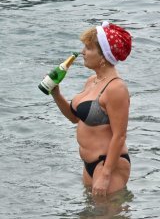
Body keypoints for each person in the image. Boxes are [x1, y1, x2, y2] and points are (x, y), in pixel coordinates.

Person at [49, 22, 133, 197]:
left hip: (109, 165)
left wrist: (106, 174)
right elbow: (75, 118)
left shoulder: (116, 89)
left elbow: (120, 135)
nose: (82, 52)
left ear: (103, 56)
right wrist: (56, 93)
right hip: (90, 165)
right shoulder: (92, 81)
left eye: (88, 48)